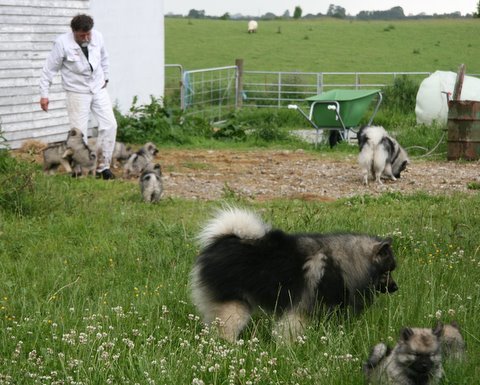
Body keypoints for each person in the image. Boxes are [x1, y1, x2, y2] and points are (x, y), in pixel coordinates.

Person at [39, 14, 117, 180]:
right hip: (76, 91)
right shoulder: (62, 43)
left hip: (98, 87)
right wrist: (44, 94)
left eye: (88, 33)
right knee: (78, 134)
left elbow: (104, 58)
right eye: (82, 35)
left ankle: (102, 167)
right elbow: (49, 69)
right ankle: (80, 169)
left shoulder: (98, 37)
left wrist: (106, 78)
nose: (86, 37)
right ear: (73, 32)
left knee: (110, 125)